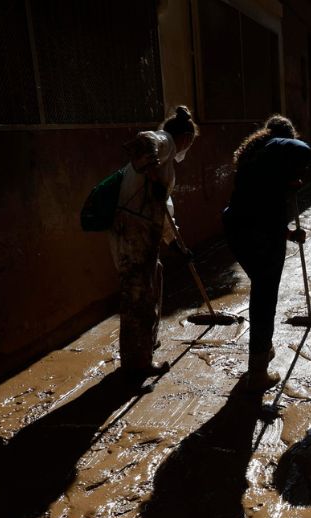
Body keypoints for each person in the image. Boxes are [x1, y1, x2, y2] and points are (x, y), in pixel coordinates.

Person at [111, 105, 198, 384]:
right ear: (185, 137)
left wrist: (176, 247)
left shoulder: (167, 158)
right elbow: (142, 141)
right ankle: (136, 367)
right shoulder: (165, 142)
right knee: (138, 297)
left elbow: (165, 212)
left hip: (141, 231)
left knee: (151, 282)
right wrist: (151, 172)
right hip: (134, 231)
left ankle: (143, 349)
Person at [223, 115, 311, 391]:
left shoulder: (254, 157)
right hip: (258, 233)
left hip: (238, 228)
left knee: (261, 290)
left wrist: (286, 233)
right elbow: (304, 151)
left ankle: (263, 351)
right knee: (264, 297)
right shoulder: (276, 148)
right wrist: (293, 173)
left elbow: (258, 210)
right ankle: (258, 371)